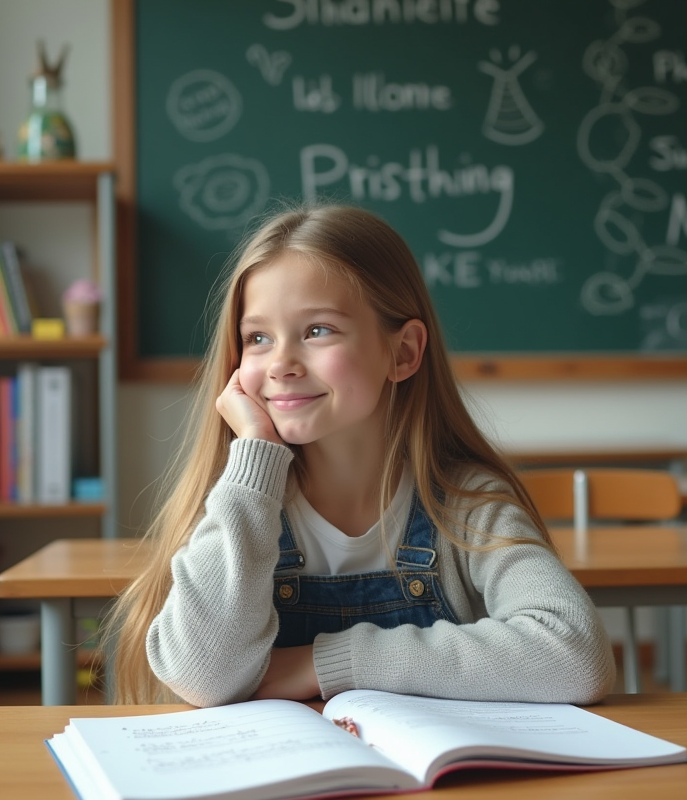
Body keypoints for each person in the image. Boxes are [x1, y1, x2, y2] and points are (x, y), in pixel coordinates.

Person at [107, 204, 615, 707]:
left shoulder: (467, 504)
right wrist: (255, 456)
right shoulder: (240, 501)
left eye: (317, 330)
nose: (281, 362)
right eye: (257, 338)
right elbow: (202, 676)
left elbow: (575, 656)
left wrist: (324, 664)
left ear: (404, 353)